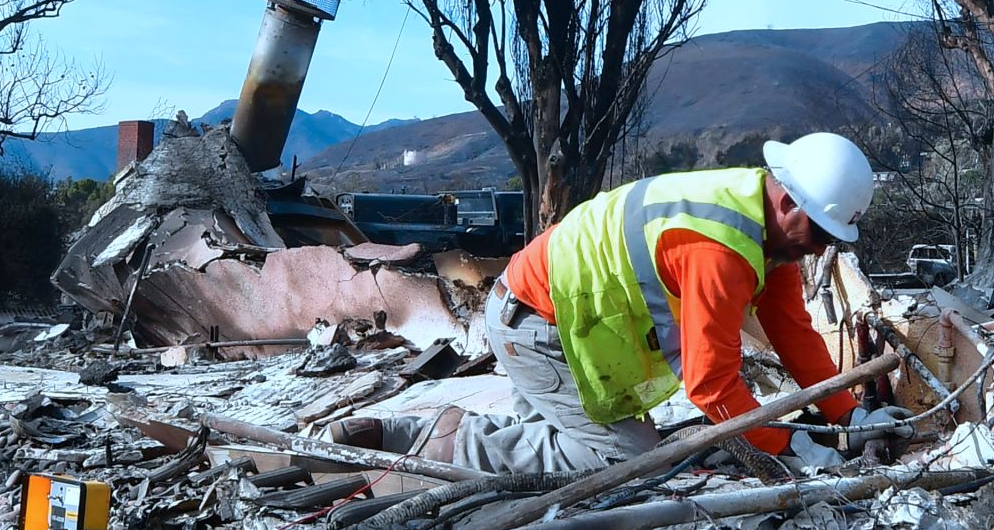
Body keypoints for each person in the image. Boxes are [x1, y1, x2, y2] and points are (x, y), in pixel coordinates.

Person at [341, 134, 877, 474]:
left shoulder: (761, 226)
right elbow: (711, 383)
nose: (822, 247)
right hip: (541, 328)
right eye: (820, 232)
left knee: (551, 441)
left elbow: (793, 331)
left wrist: (847, 414)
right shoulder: (721, 246)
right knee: (626, 462)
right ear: (787, 202)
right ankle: (423, 444)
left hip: (556, 319)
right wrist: (785, 445)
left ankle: (403, 435)